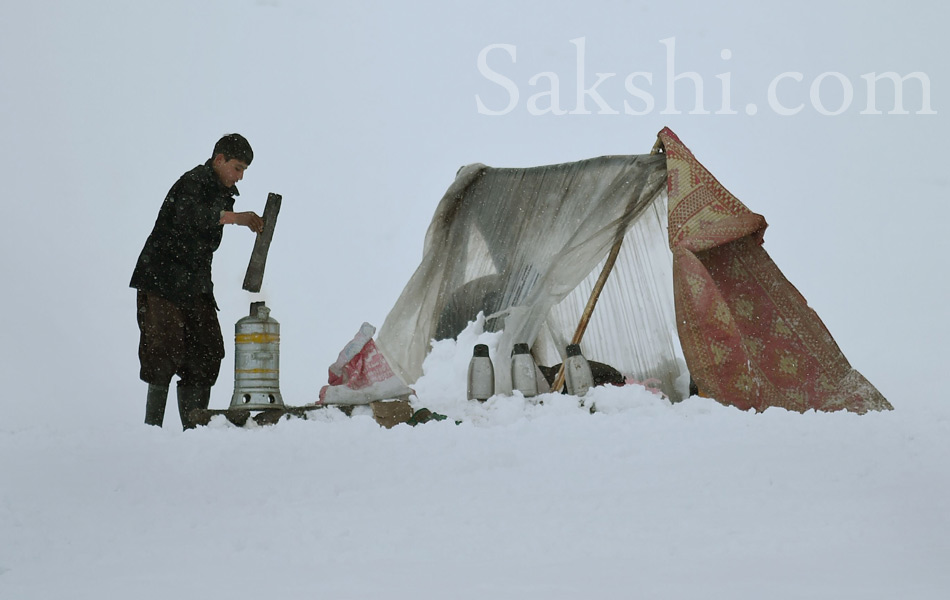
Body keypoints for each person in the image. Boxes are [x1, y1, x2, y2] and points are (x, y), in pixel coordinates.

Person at [130, 134, 264, 429]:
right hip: (162, 280)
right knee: (163, 350)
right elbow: (192, 216)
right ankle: (151, 432)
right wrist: (235, 217)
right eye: (237, 168)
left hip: (195, 285)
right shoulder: (192, 183)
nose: (240, 176)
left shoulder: (220, 192)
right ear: (219, 160)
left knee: (207, 350)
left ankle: (194, 433)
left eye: (244, 171)